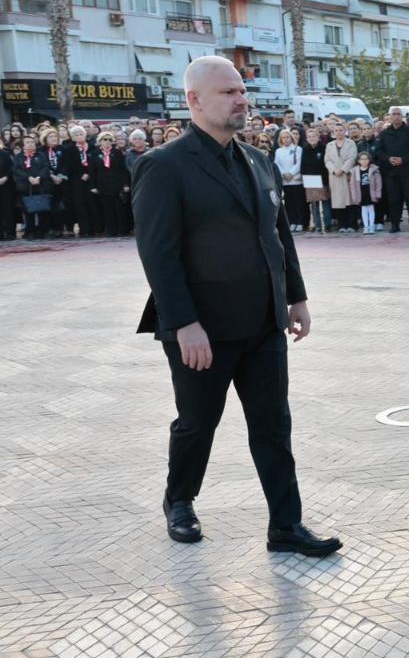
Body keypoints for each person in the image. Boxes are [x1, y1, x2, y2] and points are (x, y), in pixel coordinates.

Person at [131, 55, 341, 557]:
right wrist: (184, 323)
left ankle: (286, 527)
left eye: (242, 90)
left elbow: (279, 233)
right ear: (194, 101)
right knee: (197, 421)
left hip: (263, 321)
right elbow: (158, 253)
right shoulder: (163, 166)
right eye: (228, 92)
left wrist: (296, 296)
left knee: (273, 425)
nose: (241, 99)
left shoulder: (258, 160)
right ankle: (179, 500)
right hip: (203, 327)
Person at [376, 107, 409, 232]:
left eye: (398, 114)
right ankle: (395, 224)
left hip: (408, 172)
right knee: (394, 199)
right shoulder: (384, 133)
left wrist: (403, 159)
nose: (396, 116)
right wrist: (388, 158)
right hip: (391, 173)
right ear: (390, 117)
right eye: (393, 114)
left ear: (402, 116)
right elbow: (379, 151)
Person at [92, 132, 130, 237]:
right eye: (105, 139)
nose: (107, 142)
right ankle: (111, 230)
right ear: (100, 141)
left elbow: (123, 170)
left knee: (119, 209)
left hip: (117, 184)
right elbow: (92, 171)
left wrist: (125, 184)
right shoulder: (95, 153)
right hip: (102, 185)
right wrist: (93, 186)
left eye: (109, 140)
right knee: (107, 209)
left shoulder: (117, 153)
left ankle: (122, 230)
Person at [14, 135, 51, 239]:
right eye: (27, 142)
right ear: (23, 145)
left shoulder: (41, 154)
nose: (30, 144)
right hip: (25, 187)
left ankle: (42, 230)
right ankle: (30, 230)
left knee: (42, 209)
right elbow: (16, 169)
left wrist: (39, 177)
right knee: (27, 210)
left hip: (40, 185)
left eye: (32, 142)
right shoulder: (19, 156)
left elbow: (46, 167)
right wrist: (28, 177)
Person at [324, 125, 358, 234]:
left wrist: (343, 169)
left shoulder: (351, 143)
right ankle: (342, 225)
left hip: (347, 174)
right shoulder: (329, 145)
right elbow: (327, 160)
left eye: (340, 130)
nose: (338, 132)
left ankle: (352, 225)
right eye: (336, 130)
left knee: (350, 200)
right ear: (333, 132)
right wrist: (334, 170)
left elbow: (352, 158)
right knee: (338, 201)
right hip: (334, 176)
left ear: (345, 131)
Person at [274, 130, 306, 233]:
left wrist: (291, 173)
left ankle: (300, 222)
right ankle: (292, 222)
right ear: (281, 139)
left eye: (287, 137)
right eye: (283, 137)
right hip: (285, 181)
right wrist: (284, 173)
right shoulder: (278, 151)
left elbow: (299, 163)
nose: (286, 139)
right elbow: (277, 164)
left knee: (298, 203)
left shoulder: (298, 149)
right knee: (289, 203)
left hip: (296, 180)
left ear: (291, 138)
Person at [300, 128, 327, 233]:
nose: (312, 138)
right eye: (309, 136)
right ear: (307, 138)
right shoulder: (305, 149)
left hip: (322, 178)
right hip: (310, 180)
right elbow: (303, 165)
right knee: (314, 204)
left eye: (314, 136)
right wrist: (304, 177)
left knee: (324, 203)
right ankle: (317, 224)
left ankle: (326, 224)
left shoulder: (323, 148)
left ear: (318, 137)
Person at [350, 151, 381, 235]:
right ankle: (366, 227)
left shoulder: (374, 170)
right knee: (363, 210)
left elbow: (378, 183)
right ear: (358, 161)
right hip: (361, 193)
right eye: (362, 159)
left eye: (366, 159)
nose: (364, 161)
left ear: (369, 160)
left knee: (371, 209)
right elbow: (352, 185)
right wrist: (354, 196)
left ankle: (371, 226)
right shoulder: (355, 171)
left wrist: (378, 194)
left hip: (371, 193)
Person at [0, 136, 13, 240]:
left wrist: (5, 177)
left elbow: (11, 168)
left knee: (7, 209)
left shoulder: (5, 153)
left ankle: (10, 232)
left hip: (5, 184)